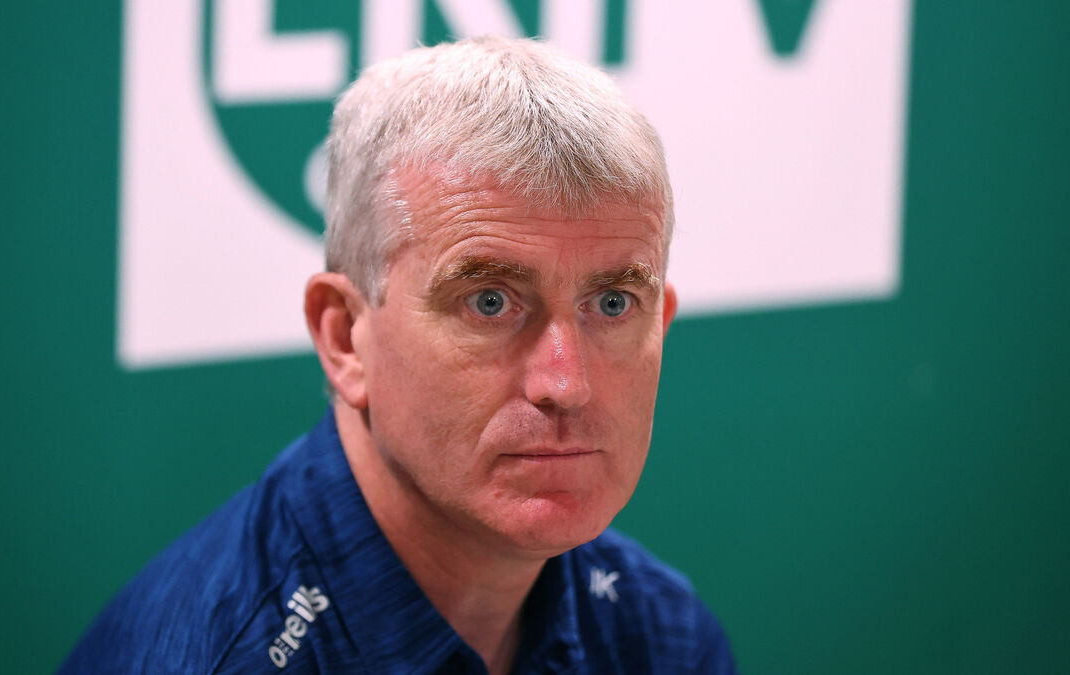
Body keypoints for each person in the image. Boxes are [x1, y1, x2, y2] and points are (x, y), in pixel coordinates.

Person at [61, 35, 736, 674]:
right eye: (490, 302)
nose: (566, 383)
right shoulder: (215, 655)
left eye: (613, 303)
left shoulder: (662, 634)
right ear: (344, 336)